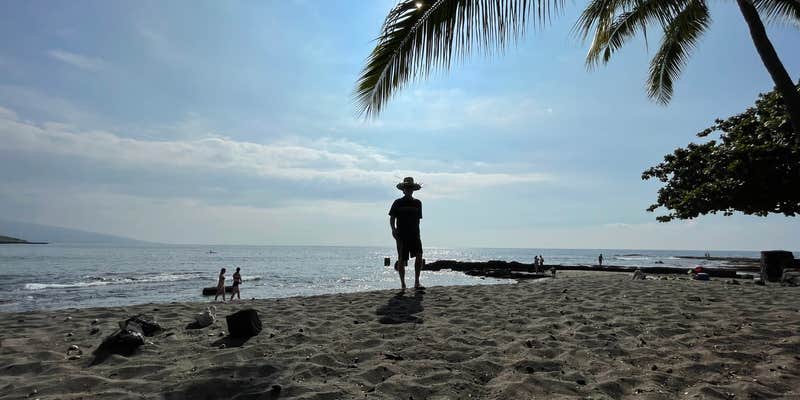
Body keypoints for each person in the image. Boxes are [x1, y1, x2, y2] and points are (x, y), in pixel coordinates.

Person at [389, 177, 424, 290]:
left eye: (410, 188)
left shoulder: (418, 203)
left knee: (419, 255)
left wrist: (417, 233)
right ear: (403, 190)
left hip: (415, 234)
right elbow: (392, 217)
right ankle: (403, 284)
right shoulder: (398, 202)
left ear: (413, 189)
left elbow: (418, 220)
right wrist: (393, 229)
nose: (408, 189)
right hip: (401, 234)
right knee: (401, 258)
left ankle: (417, 282)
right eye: (406, 188)